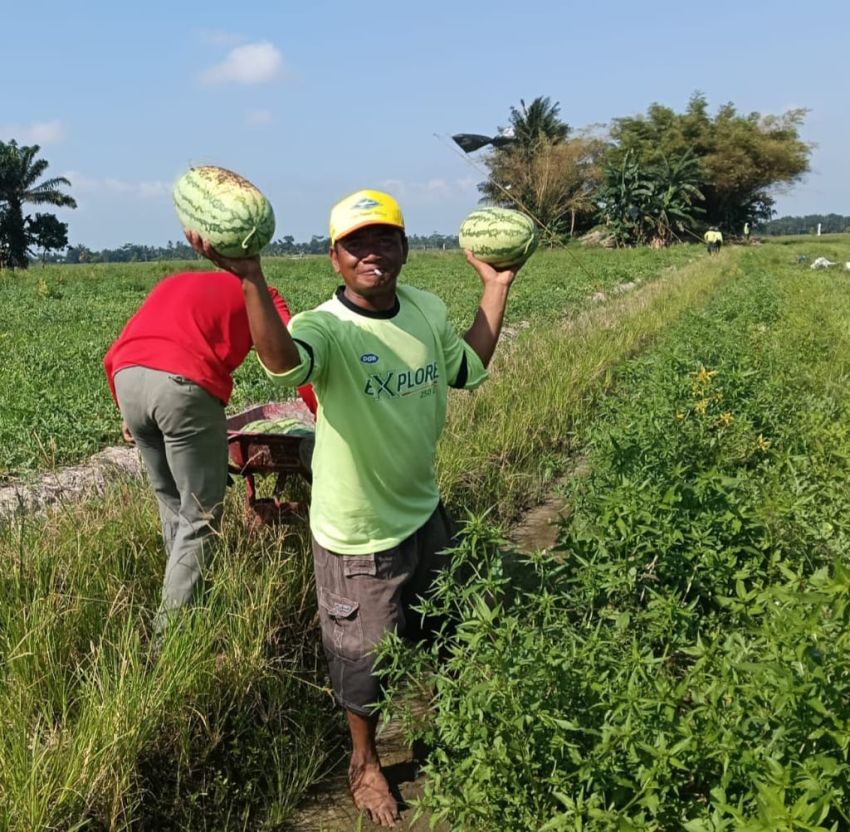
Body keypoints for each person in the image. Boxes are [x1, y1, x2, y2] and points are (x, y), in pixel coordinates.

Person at [185, 188, 521, 827]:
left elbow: (469, 365)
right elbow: (284, 364)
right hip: (357, 531)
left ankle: (435, 733)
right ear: (334, 258)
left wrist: (498, 284)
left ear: (403, 247)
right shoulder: (325, 327)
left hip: (425, 512)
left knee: (440, 634)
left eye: (384, 238)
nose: (373, 253)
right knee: (363, 662)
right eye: (355, 244)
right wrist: (251, 277)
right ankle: (364, 766)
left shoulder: (423, 307)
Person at [104, 270, 317, 633]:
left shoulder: (179, 283)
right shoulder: (263, 296)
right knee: (201, 516)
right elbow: (293, 364)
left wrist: (126, 412)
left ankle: (186, 600)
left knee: (172, 504)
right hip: (182, 384)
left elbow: (119, 351)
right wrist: (319, 414)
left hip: (127, 379)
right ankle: (171, 636)